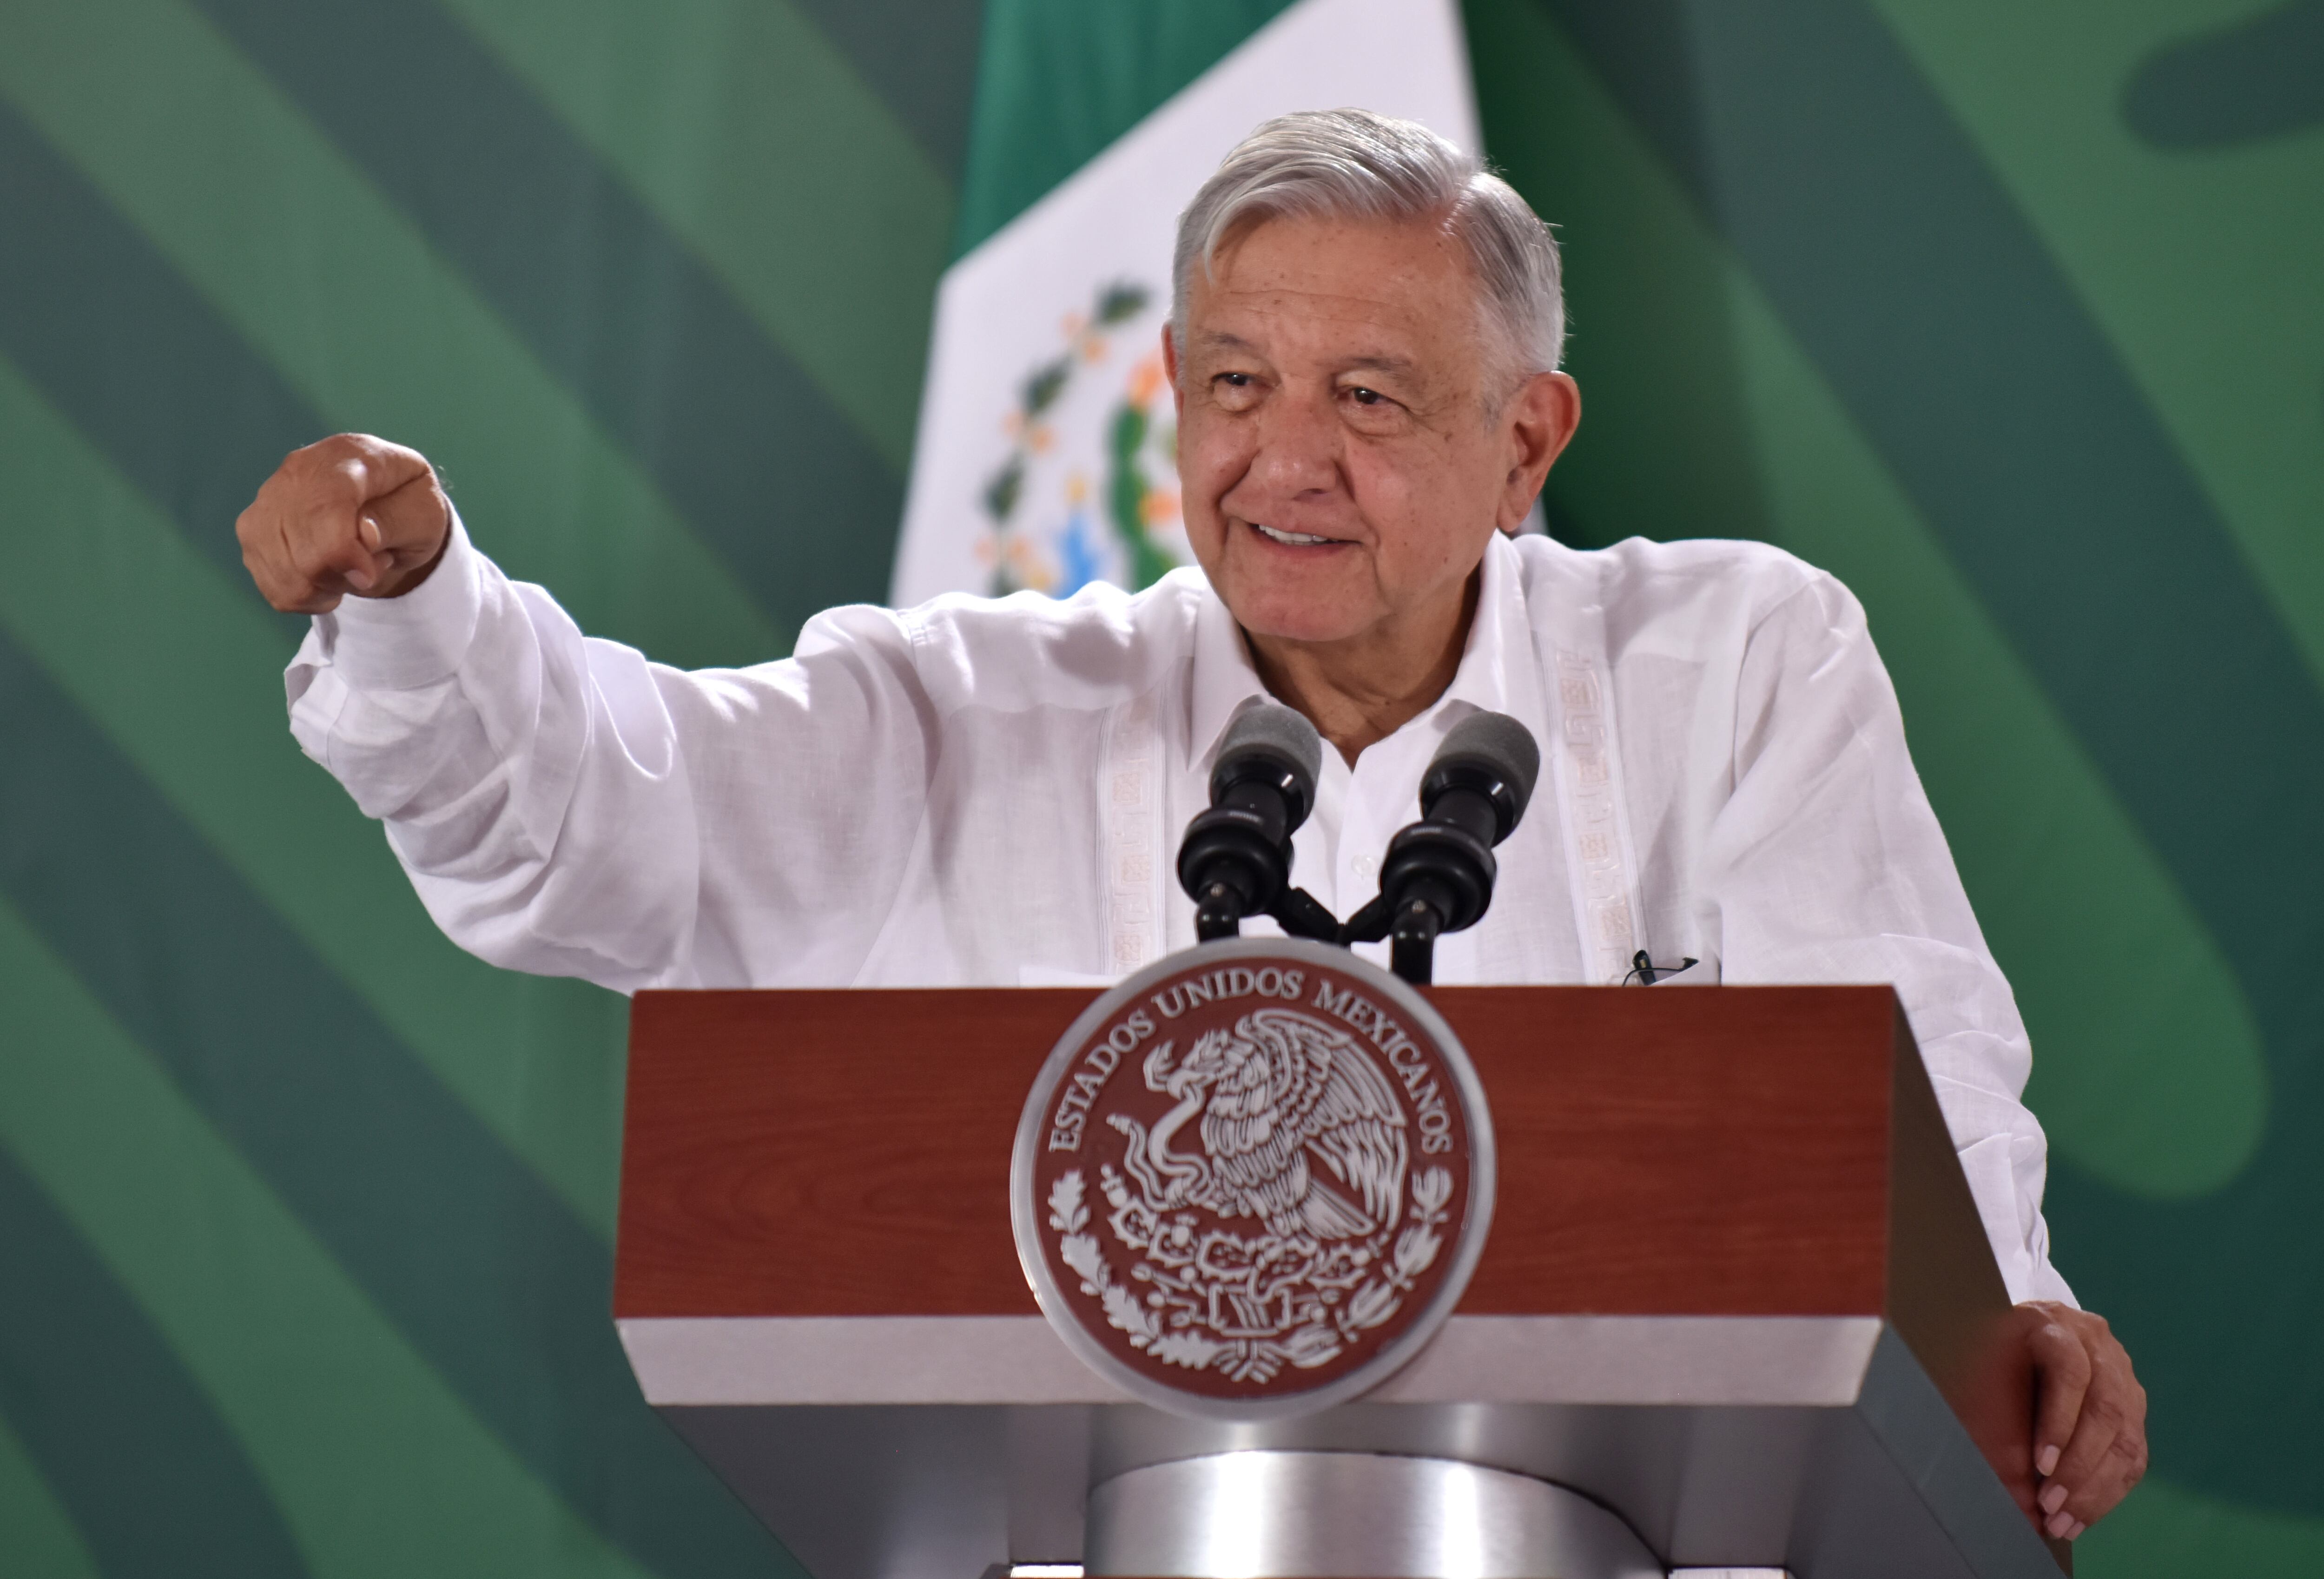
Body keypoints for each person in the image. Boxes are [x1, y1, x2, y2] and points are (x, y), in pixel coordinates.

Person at [236, 109, 2144, 1535]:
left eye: (1369, 397)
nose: (1280, 457)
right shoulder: (973, 706)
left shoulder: (1728, 656)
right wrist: (424, 613)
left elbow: (1898, 1075)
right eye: (1232, 383)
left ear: (1527, 442)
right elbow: (603, 817)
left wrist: (2013, 1321)